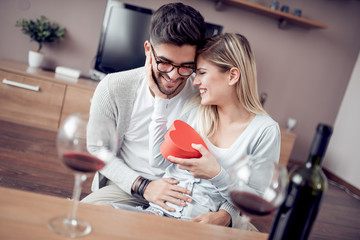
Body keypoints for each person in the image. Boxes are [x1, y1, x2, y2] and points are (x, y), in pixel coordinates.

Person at [82, 3, 234, 227]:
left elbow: (234, 160)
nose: (173, 76)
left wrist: (227, 213)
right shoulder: (114, 88)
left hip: (188, 194)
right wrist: (145, 186)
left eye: (185, 66)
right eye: (164, 63)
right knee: (87, 219)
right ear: (148, 50)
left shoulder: (205, 94)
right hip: (128, 186)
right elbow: (97, 150)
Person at [145, 33, 281, 227]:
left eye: (202, 73)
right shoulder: (195, 110)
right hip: (157, 213)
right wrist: (160, 100)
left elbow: (256, 200)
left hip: (199, 226)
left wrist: (216, 174)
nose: (195, 82)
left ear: (232, 75)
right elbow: (158, 160)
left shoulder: (264, 131)